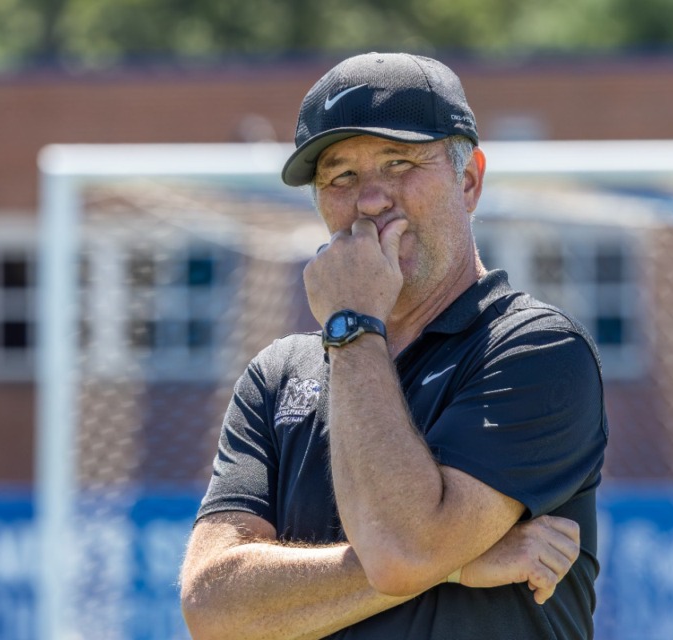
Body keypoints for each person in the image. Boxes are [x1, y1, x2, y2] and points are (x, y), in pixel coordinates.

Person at [180, 52, 608, 640]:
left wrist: (353, 317)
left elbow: (402, 551)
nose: (371, 200)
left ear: (469, 181)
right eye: (341, 176)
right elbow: (212, 606)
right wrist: (456, 566)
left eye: (400, 162)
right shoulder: (277, 375)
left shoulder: (536, 350)